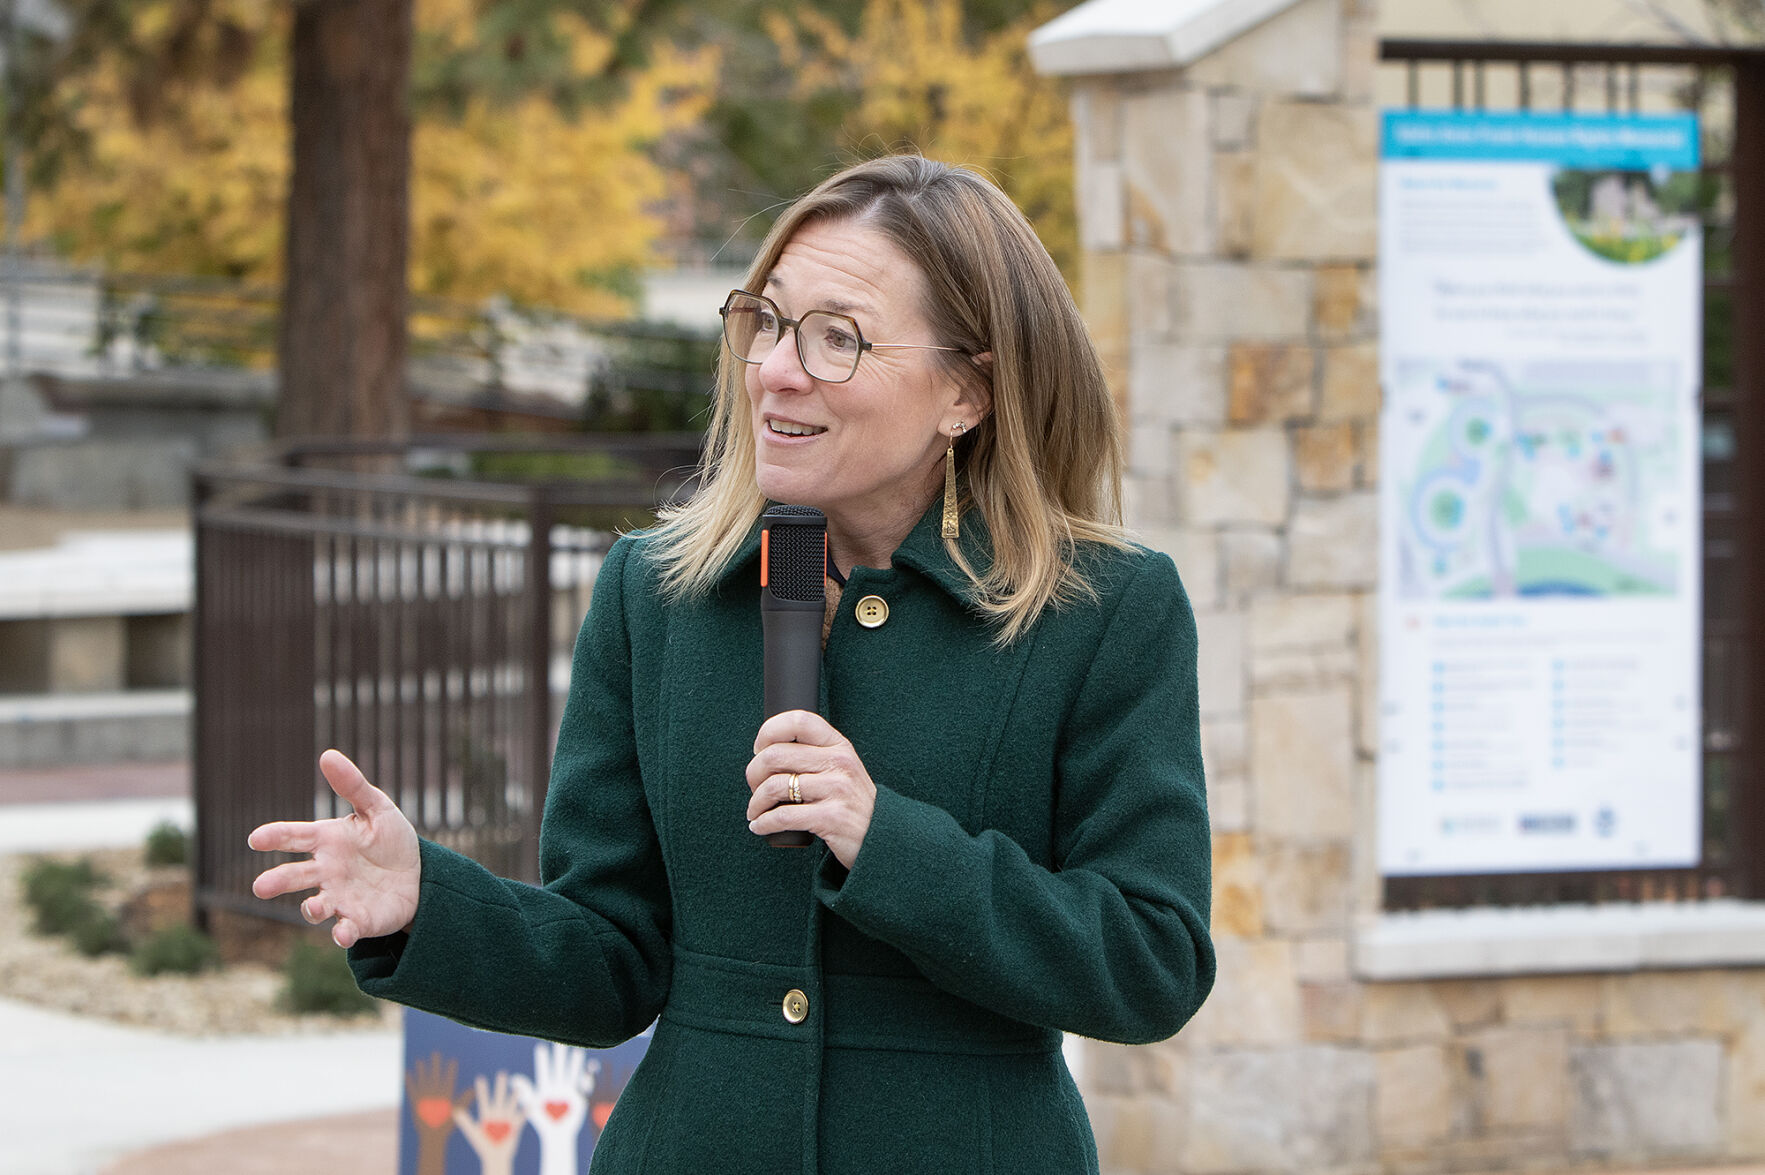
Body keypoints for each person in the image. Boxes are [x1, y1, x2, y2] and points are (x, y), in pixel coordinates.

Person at [249, 154, 1214, 1173]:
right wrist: (427, 904)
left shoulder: (1102, 609)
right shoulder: (656, 591)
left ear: (966, 393)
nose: (777, 368)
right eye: (768, 319)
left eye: (837, 337)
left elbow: (1150, 959)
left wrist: (885, 841)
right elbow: (613, 958)